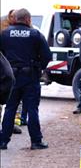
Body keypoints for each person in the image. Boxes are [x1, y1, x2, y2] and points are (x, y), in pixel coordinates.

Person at [0, 8, 52, 150]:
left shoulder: (4, 34)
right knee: (32, 110)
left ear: (14, 19)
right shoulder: (35, 34)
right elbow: (47, 56)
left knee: (10, 109)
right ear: (28, 20)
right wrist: (39, 67)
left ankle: (3, 141)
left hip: (12, 78)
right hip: (30, 77)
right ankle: (36, 141)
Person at [1, 9, 23, 135]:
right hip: (5, 66)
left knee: (15, 99)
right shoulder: (3, 25)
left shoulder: (20, 27)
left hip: (14, 67)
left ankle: (14, 122)